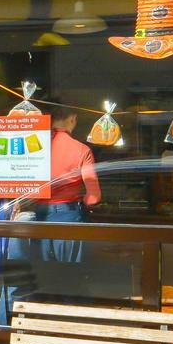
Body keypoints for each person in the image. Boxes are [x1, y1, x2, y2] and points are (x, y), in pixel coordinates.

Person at [37, 108, 101, 263]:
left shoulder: (35, 147)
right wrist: (84, 201)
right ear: (72, 118)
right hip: (69, 216)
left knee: (43, 274)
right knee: (70, 274)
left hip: (39, 216)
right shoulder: (82, 150)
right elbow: (94, 197)